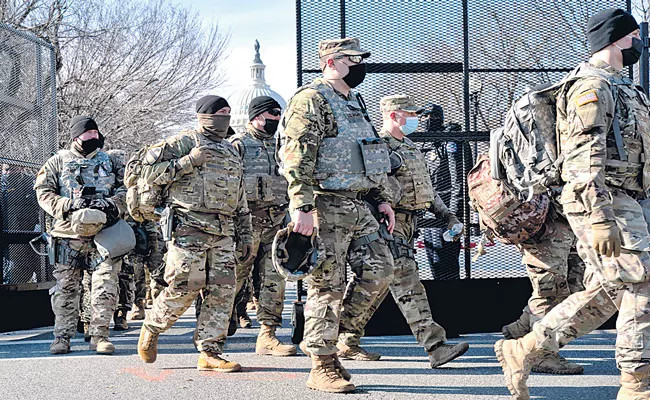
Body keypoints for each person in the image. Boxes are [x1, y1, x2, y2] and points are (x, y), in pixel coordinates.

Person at [495, 9, 650, 400]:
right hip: (602, 197)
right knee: (643, 282)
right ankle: (637, 383)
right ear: (618, 38)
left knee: (609, 291)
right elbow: (583, 158)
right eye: (635, 36)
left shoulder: (624, 87)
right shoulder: (590, 87)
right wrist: (599, 217)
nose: (639, 45)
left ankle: (526, 347)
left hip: (629, 196)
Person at [278, 37, 395, 393]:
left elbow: (368, 154)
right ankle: (321, 363)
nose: (361, 65)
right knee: (326, 285)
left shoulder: (354, 101)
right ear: (332, 61)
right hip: (325, 204)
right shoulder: (311, 99)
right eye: (354, 59)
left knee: (381, 271)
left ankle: (340, 337)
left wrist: (380, 198)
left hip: (359, 204)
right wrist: (302, 206)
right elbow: (296, 155)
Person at [336, 95, 469, 367]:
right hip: (387, 225)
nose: (416, 119)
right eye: (411, 113)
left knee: (377, 284)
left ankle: (342, 338)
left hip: (410, 224)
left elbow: (427, 189)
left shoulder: (410, 147)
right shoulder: (378, 147)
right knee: (407, 283)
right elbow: (370, 187)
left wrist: (447, 216)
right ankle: (435, 346)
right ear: (394, 115)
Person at [136, 95, 254, 372]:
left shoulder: (231, 150)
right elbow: (147, 172)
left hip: (223, 230)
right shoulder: (184, 142)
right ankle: (153, 326)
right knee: (185, 287)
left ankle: (210, 352)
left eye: (228, 111)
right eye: (219, 112)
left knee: (222, 293)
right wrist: (188, 162)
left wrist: (246, 234)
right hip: (189, 227)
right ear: (203, 116)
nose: (224, 117)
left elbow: (240, 196)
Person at [34, 116, 126, 355]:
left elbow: (128, 189)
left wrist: (112, 204)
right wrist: (67, 205)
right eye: (88, 134)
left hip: (105, 233)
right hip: (68, 233)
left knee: (105, 286)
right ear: (76, 137)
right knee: (66, 289)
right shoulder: (57, 161)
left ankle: (100, 336)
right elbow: (43, 191)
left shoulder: (111, 161)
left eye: (96, 134)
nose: (93, 138)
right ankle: (62, 338)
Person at [229, 95, 296, 356]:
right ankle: (216, 326)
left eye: (279, 115)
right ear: (256, 117)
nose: (276, 121)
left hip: (276, 223)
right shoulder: (239, 146)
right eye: (271, 115)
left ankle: (268, 334)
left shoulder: (283, 146)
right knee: (233, 279)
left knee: (274, 280)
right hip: (245, 225)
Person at [502, 218, 586, 375]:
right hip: (545, 228)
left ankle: (524, 325)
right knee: (550, 291)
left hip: (570, 224)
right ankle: (540, 354)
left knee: (574, 286)